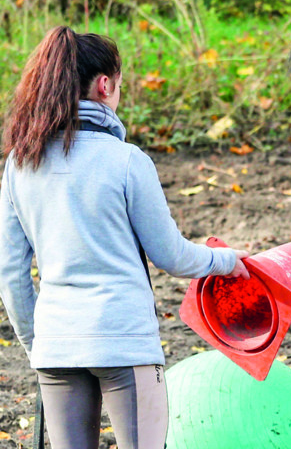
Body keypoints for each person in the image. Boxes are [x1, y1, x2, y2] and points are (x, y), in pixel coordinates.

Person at [0, 26, 250, 449]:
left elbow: (10, 276)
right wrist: (224, 260)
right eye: (119, 86)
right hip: (125, 342)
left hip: (56, 346)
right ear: (104, 85)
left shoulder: (20, 164)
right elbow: (171, 256)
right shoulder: (128, 161)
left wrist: (40, 345)